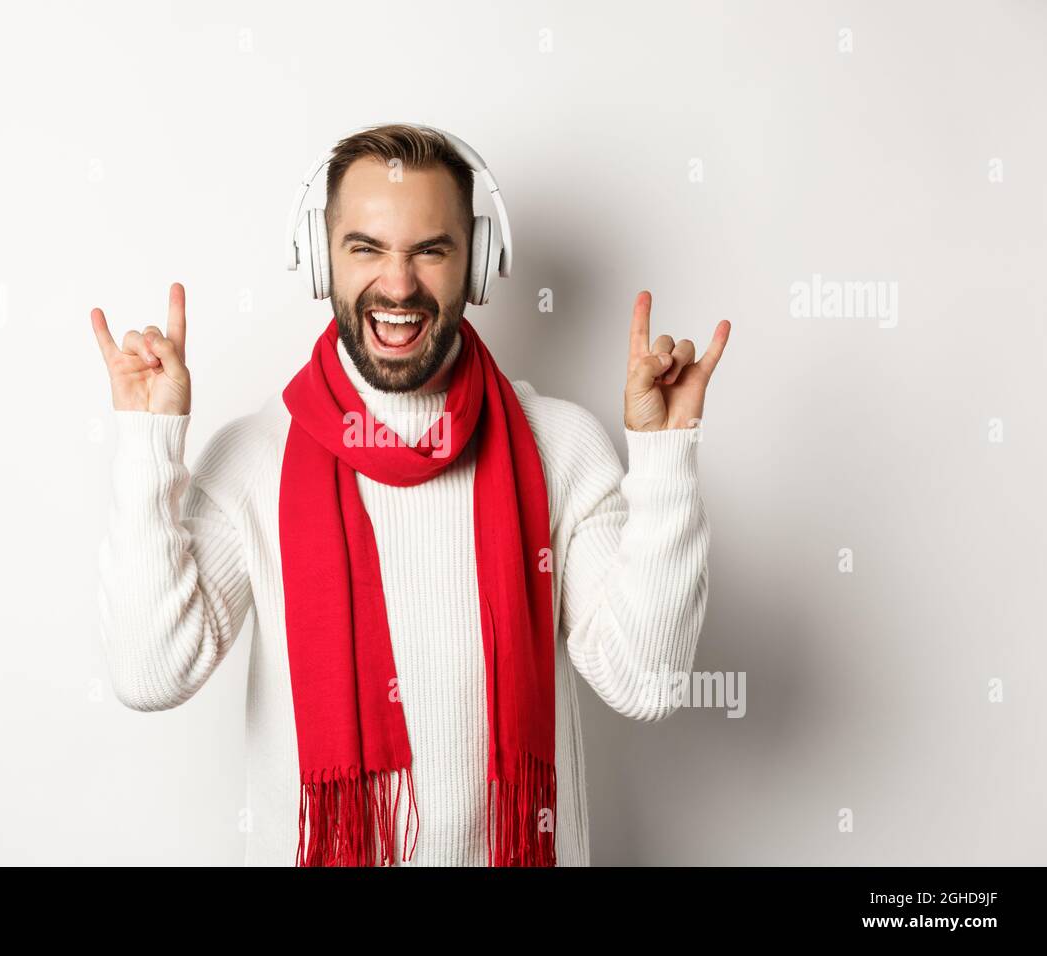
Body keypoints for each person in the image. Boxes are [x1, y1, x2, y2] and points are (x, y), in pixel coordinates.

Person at [90, 124, 729, 866]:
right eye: (365, 247)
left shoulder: (561, 446)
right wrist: (147, 442)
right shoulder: (254, 458)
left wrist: (664, 457)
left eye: (430, 249)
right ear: (321, 260)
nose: (398, 285)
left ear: (480, 262)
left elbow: (644, 683)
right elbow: (148, 674)